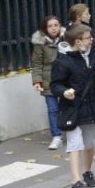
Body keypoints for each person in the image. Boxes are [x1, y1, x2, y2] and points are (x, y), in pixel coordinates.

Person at [50, 24, 95, 188]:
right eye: (88, 38)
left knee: (89, 143)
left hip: (91, 106)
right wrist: (64, 92)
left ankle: (87, 172)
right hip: (72, 108)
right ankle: (76, 181)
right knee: (74, 144)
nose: (91, 40)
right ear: (78, 42)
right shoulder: (63, 61)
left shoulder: (93, 56)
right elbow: (55, 84)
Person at [30, 15, 66, 150]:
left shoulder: (65, 38)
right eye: (50, 26)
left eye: (56, 25)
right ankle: (56, 136)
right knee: (52, 109)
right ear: (45, 28)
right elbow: (37, 63)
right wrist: (37, 81)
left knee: (66, 106)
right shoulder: (40, 43)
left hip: (64, 78)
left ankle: (70, 128)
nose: (53, 28)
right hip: (48, 79)